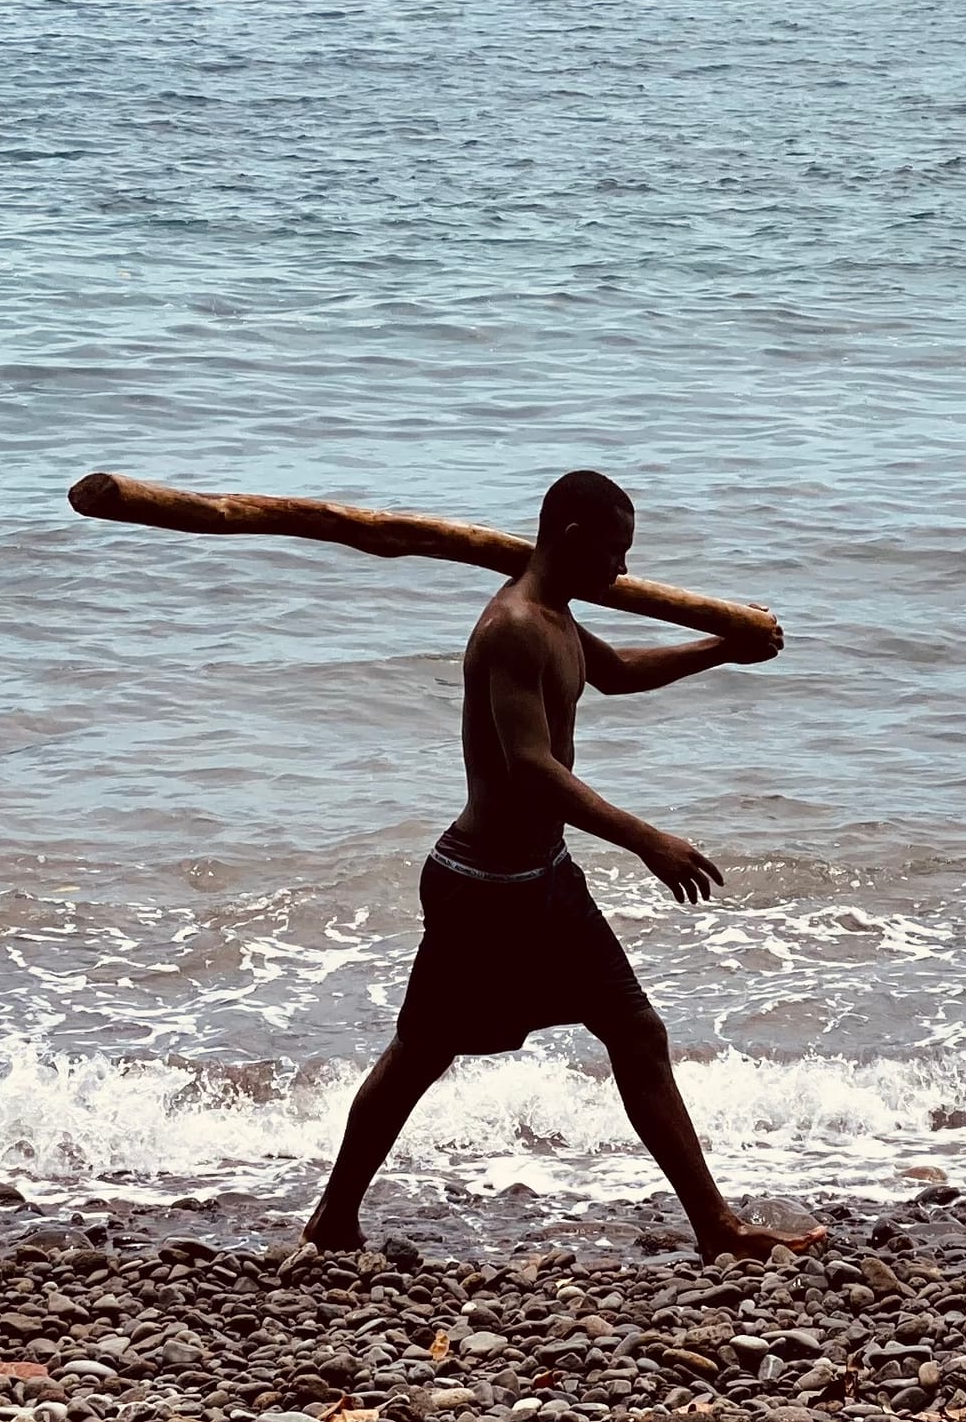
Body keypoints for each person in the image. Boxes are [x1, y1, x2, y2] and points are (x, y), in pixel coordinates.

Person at [303, 469, 825, 1260]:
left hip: (545, 875)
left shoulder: (556, 615)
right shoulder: (512, 626)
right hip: (482, 887)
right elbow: (531, 768)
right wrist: (647, 839)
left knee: (636, 1032)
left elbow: (614, 674)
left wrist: (722, 649)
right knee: (420, 1054)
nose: (622, 570)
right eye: (614, 551)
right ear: (573, 539)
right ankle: (333, 1219)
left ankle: (716, 1228)